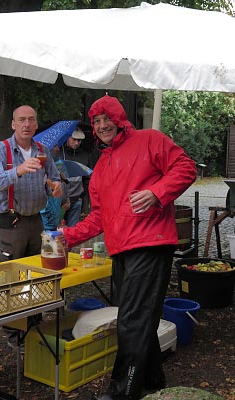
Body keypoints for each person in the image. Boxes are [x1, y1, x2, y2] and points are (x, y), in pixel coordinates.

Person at [60, 95, 197, 400]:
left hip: (151, 243)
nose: (102, 124)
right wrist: (67, 236)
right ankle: (152, 379)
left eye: (107, 118)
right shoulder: (103, 165)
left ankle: (122, 393)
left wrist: (156, 193)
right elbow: (99, 216)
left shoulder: (150, 140)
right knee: (138, 315)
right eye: (96, 120)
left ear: (120, 119)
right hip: (121, 249)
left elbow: (186, 167)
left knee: (132, 319)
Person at [0, 105, 62, 261]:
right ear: (13, 124)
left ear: (36, 125)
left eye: (31, 119)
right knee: (12, 274)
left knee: (35, 273)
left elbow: (54, 179)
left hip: (37, 221)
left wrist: (55, 187)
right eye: (22, 120)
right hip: (11, 222)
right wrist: (17, 171)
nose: (26, 124)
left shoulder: (43, 151)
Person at [53, 128, 91, 226]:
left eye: (79, 140)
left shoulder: (85, 155)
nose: (77, 142)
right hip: (59, 200)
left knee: (73, 231)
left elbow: (87, 179)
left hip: (76, 198)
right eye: (74, 139)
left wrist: (84, 200)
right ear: (67, 138)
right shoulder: (58, 152)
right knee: (56, 232)